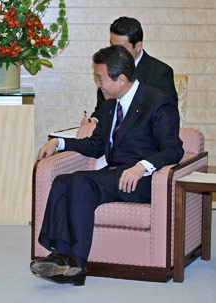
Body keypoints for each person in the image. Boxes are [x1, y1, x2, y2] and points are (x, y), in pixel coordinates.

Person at [30, 45, 184, 286]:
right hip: (113, 176)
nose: (98, 84)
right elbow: (95, 146)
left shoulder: (157, 102)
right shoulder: (110, 104)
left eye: (100, 78)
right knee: (63, 181)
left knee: (81, 180)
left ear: (121, 79)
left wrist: (142, 166)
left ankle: (77, 263)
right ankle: (62, 257)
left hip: (142, 181)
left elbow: (174, 149)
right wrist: (58, 143)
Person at [81, 16, 177, 126]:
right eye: (112, 46)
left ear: (138, 46)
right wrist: (94, 120)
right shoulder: (107, 68)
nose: (115, 52)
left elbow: (167, 117)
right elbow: (103, 107)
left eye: (121, 48)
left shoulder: (160, 72)